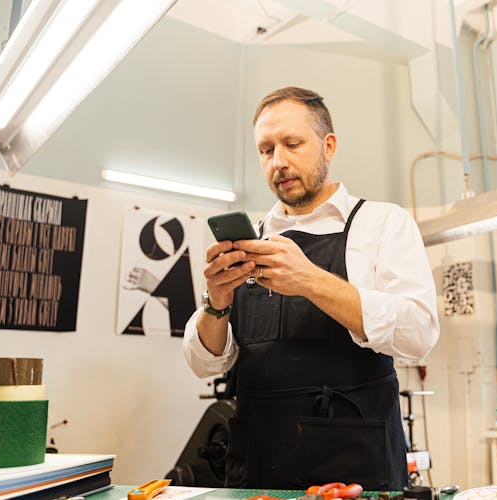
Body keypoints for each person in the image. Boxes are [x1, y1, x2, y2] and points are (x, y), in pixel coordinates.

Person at [183, 87, 439, 490]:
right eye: (266, 150)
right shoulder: (251, 241)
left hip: (355, 465)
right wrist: (216, 304)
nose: (279, 162)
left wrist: (310, 280)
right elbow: (206, 364)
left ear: (328, 145)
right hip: (257, 465)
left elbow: (418, 334)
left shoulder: (382, 224)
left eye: (292, 144)